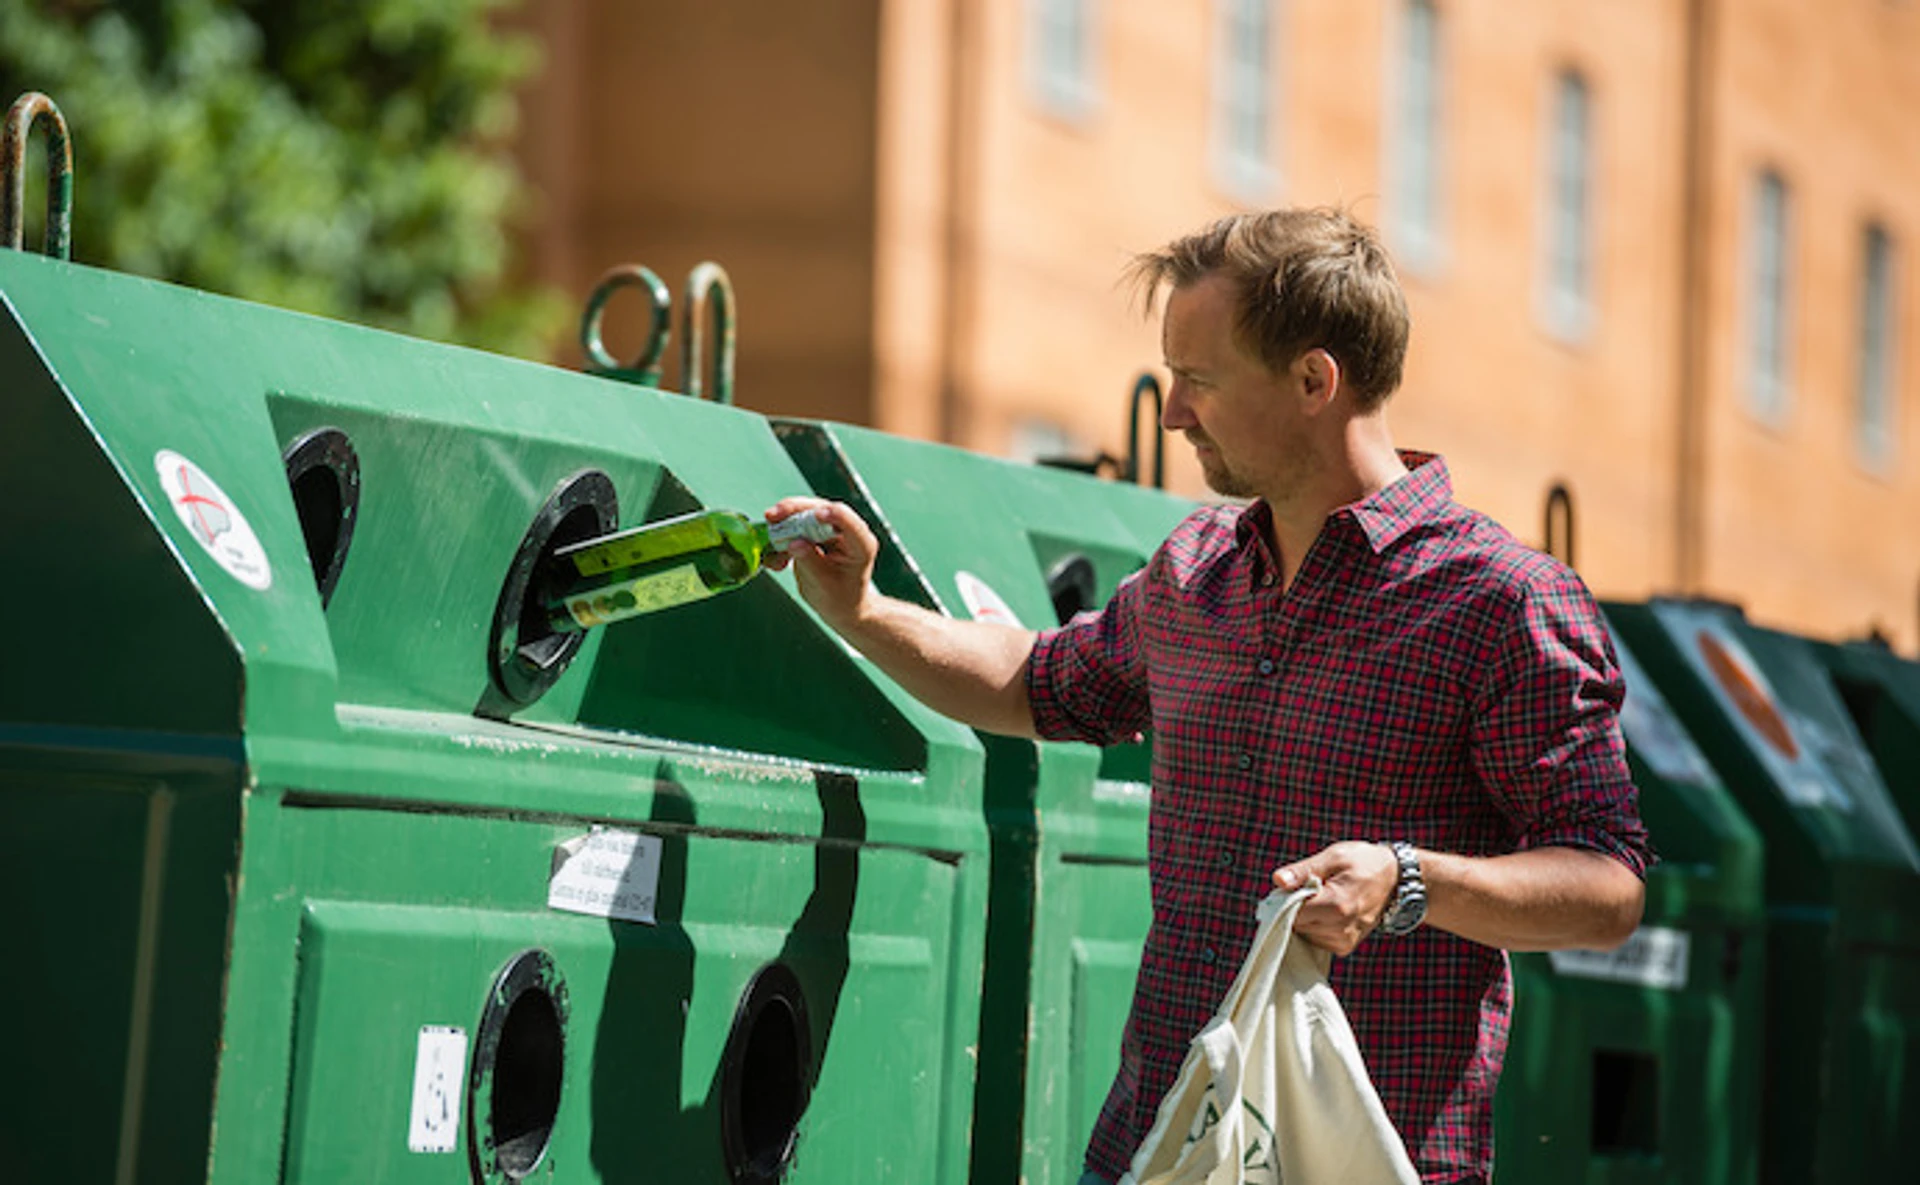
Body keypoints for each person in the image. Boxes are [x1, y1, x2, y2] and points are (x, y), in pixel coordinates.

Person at [765, 206, 1651, 1185]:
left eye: (1200, 380)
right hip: (1156, 1148)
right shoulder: (1195, 569)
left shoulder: (1501, 602)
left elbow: (1606, 889)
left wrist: (1408, 881)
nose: (1173, 411)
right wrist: (864, 612)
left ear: (1316, 381)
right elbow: (1035, 682)